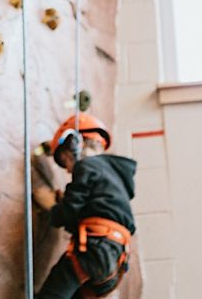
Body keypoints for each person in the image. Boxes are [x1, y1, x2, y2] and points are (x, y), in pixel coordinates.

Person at [34, 113, 137, 298]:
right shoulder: (114, 178)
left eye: (65, 160)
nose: (67, 169)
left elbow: (67, 214)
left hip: (94, 249)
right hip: (115, 261)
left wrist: (50, 206)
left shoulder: (87, 166)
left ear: (76, 144)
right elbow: (94, 210)